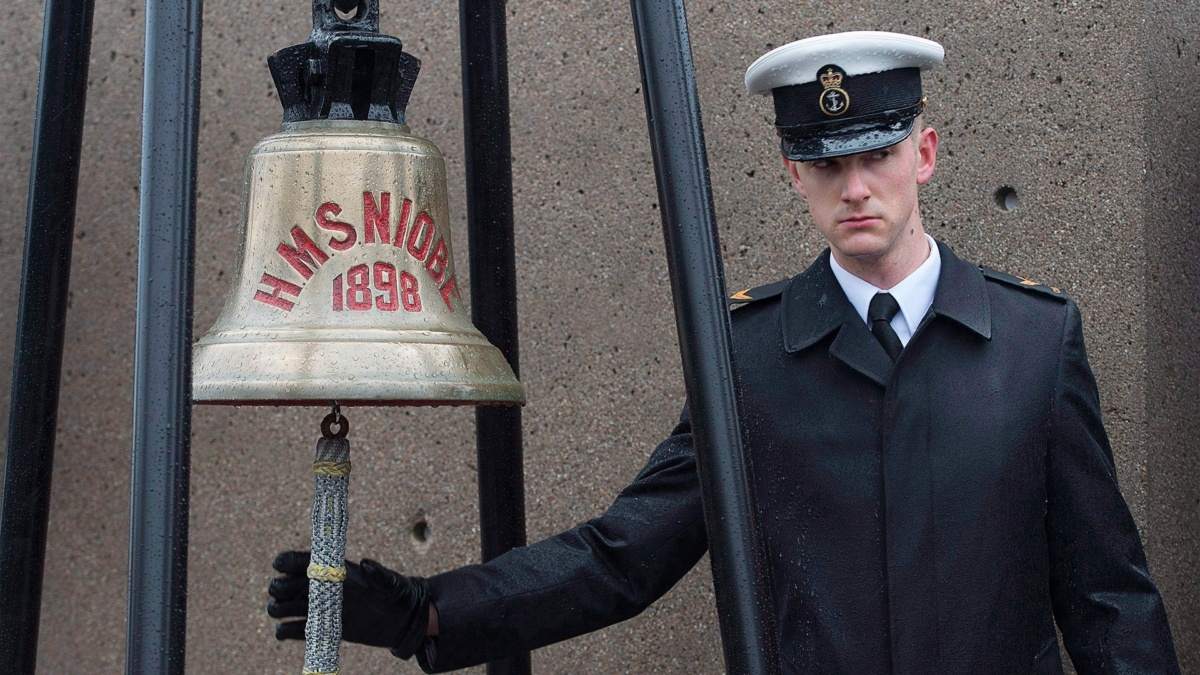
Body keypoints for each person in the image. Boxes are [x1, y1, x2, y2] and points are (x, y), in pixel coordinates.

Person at [267, 31, 1181, 673]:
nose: (855, 187)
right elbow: (623, 555)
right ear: (793, 174)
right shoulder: (749, 359)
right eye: (826, 163)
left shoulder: (1035, 341)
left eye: (877, 155)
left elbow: (1109, 600)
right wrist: (426, 610)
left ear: (926, 153)